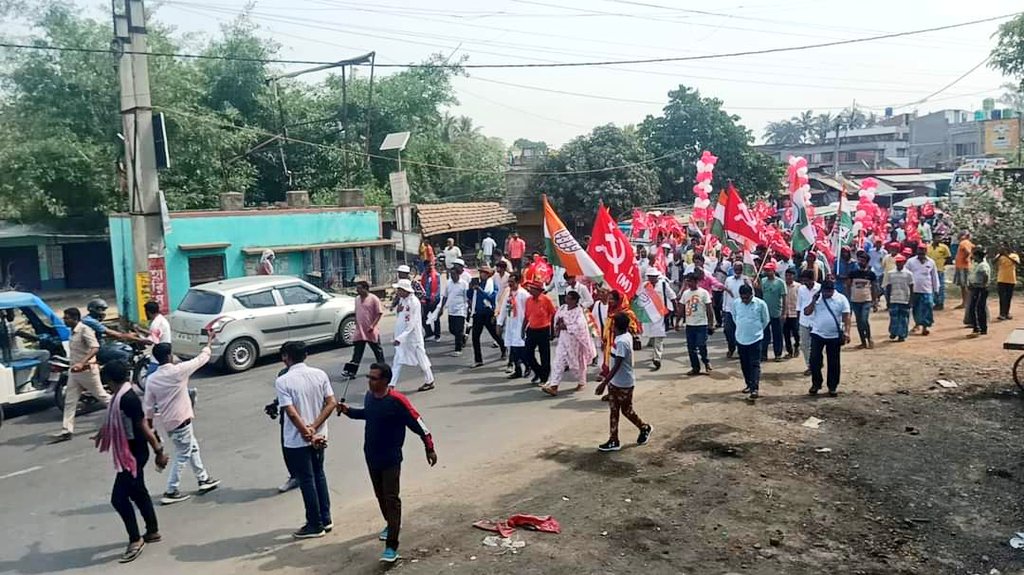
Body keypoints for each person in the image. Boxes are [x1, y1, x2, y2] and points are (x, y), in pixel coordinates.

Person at [338, 363, 437, 564]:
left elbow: (418, 424)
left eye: (374, 378)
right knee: (380, 495)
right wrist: (348, 411)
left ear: (384, 380)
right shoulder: (369, 397)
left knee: (391, 498)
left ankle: (391, 546)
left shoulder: (397, 401)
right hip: (371, 456)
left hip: (391, 458)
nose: (370, 381)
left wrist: (429, 447)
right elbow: (368, 414)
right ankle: (391, 523)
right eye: (369, 377)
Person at [95, 360, 167, 564]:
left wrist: (159, 451)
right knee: (138, 491)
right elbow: (117, 419)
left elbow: (143, 427)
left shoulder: (127, 399)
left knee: (118, 499)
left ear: (109, 380)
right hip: (133, 452)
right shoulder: (121, 397)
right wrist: (104, 430)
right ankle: (152, 531)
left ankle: (135, 540)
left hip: (133, 456)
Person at [143, 341, 221, 504]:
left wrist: (151, 428)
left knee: (192, 448)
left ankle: (203, 478)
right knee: (183, 455)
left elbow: (148, 408)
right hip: (182, 421)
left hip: (169, 423)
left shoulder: (152, 379)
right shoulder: (178, 371)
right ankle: (171, 490)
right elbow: (202, 359)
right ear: (169, 356)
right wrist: (208, 343)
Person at [275, 341, 337, 539]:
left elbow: (291, 413)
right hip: (319, 436)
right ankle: (325, 518)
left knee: (307, 480)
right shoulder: (319, 374)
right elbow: (331, 403)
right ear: (306, 355)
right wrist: (314, 428)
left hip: (297, 440)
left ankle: (314, 523)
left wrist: (306, 432)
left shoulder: (283, 381)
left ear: (286, 357)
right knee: (319, 474)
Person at [595, 313, 652, 452]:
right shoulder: (622, 337)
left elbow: (618, 365)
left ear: (617, 326)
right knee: (614, 411)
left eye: (613, 325)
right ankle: (613, 439)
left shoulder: (622, 342)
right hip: (615, 382)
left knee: (626, 411)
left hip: (623, 383)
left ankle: (644, 427)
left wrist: (604, 382)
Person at [55, 307, 111, 441]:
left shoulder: (84, 330)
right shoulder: (72, 332)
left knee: (102, 396)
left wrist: (82, 362)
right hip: (74, 373)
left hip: (87, 371)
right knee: (70, 401)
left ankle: (124, 410)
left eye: (66, 317)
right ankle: (66, 430)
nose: (64, 320)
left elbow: (95, 347)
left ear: (75, 318)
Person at [541, 290, 597, 396]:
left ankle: (582, 381)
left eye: (569, 299)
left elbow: (581, 327)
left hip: (575, 342)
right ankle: (554, 386)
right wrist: (558, 324)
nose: (567, 300)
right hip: (563, 340)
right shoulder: (562, 308)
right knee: (558, 362)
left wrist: (567, 326)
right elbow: (556, 318)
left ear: (575, 301)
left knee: (578, 363)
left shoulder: (579, 312)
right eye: (566, 298)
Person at [804, 280, 851, 397]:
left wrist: (847, 332)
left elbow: (847, 316)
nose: (827, 294)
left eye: (829, 291)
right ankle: (816, 384)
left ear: (833, 290)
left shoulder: (841, 299)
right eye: (825, 291)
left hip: (834, 335)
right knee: (814, 360)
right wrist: (813, 301)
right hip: (817, 334)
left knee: (834, 362)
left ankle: (832, 386)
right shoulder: (817, 298)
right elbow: (807, 312)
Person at [390, 279, 435, 392]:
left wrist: (401, 338)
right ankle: (391, 384)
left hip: (413, 338)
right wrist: (397, 310)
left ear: (405, 290)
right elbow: (400, 317)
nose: (398, 292)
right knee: (398, 359)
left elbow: (412, 323)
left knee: (421, 359)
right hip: (402, 336)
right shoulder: (402, 300)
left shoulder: (414, 302)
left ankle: (429, 380)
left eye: (399, 290)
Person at [732, 284, 770, 400]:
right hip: (741, 338)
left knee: (754, 364)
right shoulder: (736, 303)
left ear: (751, 295)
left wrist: (757, 330)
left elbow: (766, 320)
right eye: (742, 298)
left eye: (746, 298)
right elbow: (734, 317)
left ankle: (754, 388)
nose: (744, 300)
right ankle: (748, 384)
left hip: (756, 338)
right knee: (744, 363)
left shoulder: (760, 304)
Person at [345, 281, 386, 378]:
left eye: (359, 288)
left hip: (371, 330)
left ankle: (383, 370)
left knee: (377, 351)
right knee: (357, 352)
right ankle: (351, 372)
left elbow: (379, 313)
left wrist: (373, 325)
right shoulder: (357, 299)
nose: (357, 290)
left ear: (365, 289)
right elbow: (357, 312)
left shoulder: (373, 299)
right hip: (360, 330)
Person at [1, 309, 51, 389]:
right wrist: (37, 338)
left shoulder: (5, 324)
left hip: (10, 353)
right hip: (11, 354)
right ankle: (41, 381)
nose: (13, 315)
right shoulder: (5, 325)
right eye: (11, 312)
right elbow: (21, 334)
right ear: (5, 313)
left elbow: (20, 334)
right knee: (45, 353)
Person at [469, 266, 505, 368]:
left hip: (488, 313)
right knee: (475, 337)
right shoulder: (477, 284)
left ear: (488, 274)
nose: (481, 275)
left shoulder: (492, 285)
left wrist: (481, 291)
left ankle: (503, 348)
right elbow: (469, 296)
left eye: (484, 273)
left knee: (494, 334)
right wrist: (471, 288)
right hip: (477, 313)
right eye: (480, 272)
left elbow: (492, 298)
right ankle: (478, 360)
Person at [679, 273, 714, 375]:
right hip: (690, 325)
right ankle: (695, 367)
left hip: (701, 324)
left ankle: (706, 361)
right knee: (691, 348)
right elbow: (681, 307)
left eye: (691, 281)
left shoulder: (703, 293)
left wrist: (711, 324)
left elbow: (709, 309)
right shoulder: (685, 294)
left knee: (701, 344)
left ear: (696, 281)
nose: (689, 283)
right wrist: (677, 321)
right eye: (687, 281)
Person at [496, 273, 530, 379]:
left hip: (520, 324)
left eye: (512, 282)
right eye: (509, 282)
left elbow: (528, 311)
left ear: (518, 282)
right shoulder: (508, 294)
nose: (510, 284)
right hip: (511, 324)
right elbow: (503, 310)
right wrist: (499, 323)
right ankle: (517, 370)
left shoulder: (524, 294)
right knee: (512, 349)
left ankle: (528, 366)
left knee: (519, 349)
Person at [641, 269, 675, 372]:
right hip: (649, 314)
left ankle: (657, 358)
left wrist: (676, 310)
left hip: (661, 314)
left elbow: (672, 296)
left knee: (659, 337)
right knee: (651, 334)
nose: (652, 279)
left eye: (653, 277)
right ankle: (654, 350)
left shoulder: (663, 284)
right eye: (650, 276)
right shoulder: (644, 286)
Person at [523, 281, 556, 385]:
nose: (530, 290)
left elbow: (553, 314)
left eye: (532, 288)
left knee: (544, 355)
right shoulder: (528, 300)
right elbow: (526, 316)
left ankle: (544, 377)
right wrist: (522, 328)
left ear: (538, 291)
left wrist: (552, 330)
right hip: (531, 329)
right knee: (528, 354)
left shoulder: (546, 300)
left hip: (543, 329)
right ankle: (538, 372)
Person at [904, 245, 941, 336]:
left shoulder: (931, 262)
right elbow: (905, 274)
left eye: (923, 251)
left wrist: (936, 289)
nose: (921, 253)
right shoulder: (910, 261)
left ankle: (925, 327)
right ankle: (917, 324)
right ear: (917, 251)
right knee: (916, 308)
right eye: (919, 250)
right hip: (914, 290)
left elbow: (934, 276)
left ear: (926, 251)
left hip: (927, 289)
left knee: (928, 306)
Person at [846, 251, 877, 349]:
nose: (860, 262)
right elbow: (847, 285)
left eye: (863, 261)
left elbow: (874, 288)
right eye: (859, 260)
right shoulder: (853, 273)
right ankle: (863, 342)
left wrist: (874, 301)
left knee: (864, 320)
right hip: (855, 301)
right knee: (859, 322)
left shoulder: (871, 274)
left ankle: (869, 338)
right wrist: (849, 297)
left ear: (867, 262)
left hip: (866, 300)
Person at [757, 262, 786, 362]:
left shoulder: (780, 282)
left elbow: (784, 298)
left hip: (776, 312)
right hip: (765, 312)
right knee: (765, 334)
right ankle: (763, 354)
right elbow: (760, 294)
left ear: (774, 271)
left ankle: (778, 354)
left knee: (777, 334)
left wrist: (784, 312)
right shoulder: (763, 281)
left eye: (769, 270)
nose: (767, 272)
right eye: (766, 270)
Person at [439, 260, 469, 356]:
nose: (452, 276)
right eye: (450, 274)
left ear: (458, 274)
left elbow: (467, 297)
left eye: (453, 274)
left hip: (460, 310)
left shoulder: (464, 284)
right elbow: (445, 296)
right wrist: (441, 308)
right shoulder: (449, 283)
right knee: (452, 329)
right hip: (451, 310)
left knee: (458, 329)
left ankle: (458, 349)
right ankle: (463, 337)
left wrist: (469, 308)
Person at [723, 260, 750, 359]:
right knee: (728, 330)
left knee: (740, 330)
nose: (738, 271)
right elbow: (725, 293)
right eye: (736, 269)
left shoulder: (746, 280)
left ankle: (740, 349)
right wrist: (724, 307)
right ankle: (731, 347)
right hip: (729, 309)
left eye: (740, 269)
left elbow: (751, 294)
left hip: (741, 309)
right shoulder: (728, 279)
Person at [883, 255, 913, 342]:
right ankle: (893, 332)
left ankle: (902, 335)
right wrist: (888, 300)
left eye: (901, 262)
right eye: (897, 262)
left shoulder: (908, 274)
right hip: (894, 298)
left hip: (904, 299)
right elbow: (888, 287)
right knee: (894, 317)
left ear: (904, 263)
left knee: (904, 318)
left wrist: (911, 300)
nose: (899, 264)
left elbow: (911, 287)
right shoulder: (891, 273)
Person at [796, 270, 821, 376]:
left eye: (806, 280)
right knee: (804, 345)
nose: (804, 283)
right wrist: (798, 320)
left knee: (816, 346)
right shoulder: (801, 289)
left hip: (817, 321)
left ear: (812, 279)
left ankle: (817, 363)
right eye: (803, 281)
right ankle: (810, 366)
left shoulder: (819, 288)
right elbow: (799, 305)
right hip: (804, 321)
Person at [967, 246, 992, 338]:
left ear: (978, 256)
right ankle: (978, 328)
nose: (973, 257)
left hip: (980, 288)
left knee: (978, 308)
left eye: (974, 255)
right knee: (976, 308)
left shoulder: (982, 265)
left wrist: (983, 284)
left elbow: (985, 275)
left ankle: (979, 328)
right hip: (977, 287)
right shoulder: (979, 263)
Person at [995, 244, 1020, 321]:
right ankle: (1002, 313)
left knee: (1008, 297)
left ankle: (1007, 313)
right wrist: (1000, 255)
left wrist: (1006, 255)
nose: (1003, 248)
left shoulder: (1014, 255)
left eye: (1005, 247)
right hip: (1001, 279)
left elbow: (1017, 263)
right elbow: (993, 262)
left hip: (1011, 279)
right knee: (1002, 297)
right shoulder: (999, 256)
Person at [927, 237, 952, 310]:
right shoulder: (928, 247)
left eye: (939, 237)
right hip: (930, 270)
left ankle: (940, 303)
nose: (938, 239)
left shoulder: (944, 247)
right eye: (937, 237)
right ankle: (933, 302)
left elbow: (949, 258)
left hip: (939, 269)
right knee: (931, 287)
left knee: (940, 287)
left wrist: (942, 264)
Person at [782, 268, 802, 359]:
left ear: (794, 276)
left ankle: (797, 346)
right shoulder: (782, 286)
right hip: (785, 313)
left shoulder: (799, 287)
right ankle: (789, 352)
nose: (788, 277)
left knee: (796, 332)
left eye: (790, 275)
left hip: (795, 313)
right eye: (787, 275)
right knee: (786, 334)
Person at [420, 262, 442, 341]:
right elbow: (422, 288)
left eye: (430, 266)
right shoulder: (424, 276)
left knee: (435, 318)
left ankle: (437, 335)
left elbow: (438, 289)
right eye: (427, 266)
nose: (429, 267)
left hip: (434, 300)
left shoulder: (436, 275)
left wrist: (434, 298)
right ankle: (429, 332)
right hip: (425, 300)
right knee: (423, 317)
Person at [954, 231, 974, 311]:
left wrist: (965, 258)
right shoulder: (969, 243)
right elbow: (973, 249)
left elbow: (968, 251)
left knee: (964, 285)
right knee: (965, 285)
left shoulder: (963, 243)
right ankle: (965, 302)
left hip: (962, 266)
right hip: (964, 266)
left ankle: (965, 302)